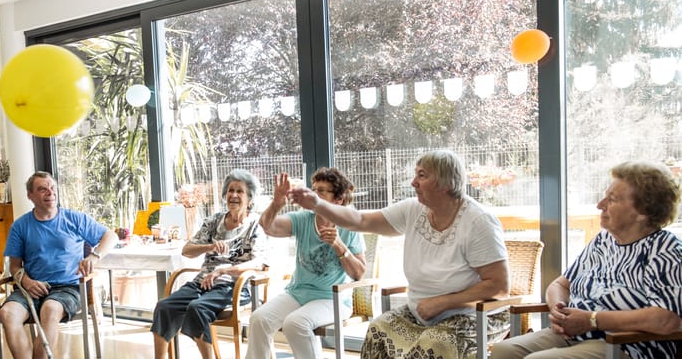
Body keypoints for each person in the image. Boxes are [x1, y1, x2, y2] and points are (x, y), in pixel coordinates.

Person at [288, 150, 510, 359]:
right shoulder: (413, 209)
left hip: (473, 315)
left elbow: (499, 286)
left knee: (434, 343)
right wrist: (316, 204)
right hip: (422, 312)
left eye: (421, 175)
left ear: (445, 183)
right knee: (378, 330)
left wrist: (443, 302)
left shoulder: (478, 221)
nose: (413, 182)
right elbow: (360, 221)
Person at [491, 161, 682, 359]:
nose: (600, 205)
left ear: (643, 212)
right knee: (505, 351)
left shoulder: (665, 251)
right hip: (577, 335)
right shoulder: (604, 241)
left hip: (628, 346)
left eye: (612, 200)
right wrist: (559, 311)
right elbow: (560, 285)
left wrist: (593, 320)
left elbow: (666, 319)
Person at [245, 167, 366, 359]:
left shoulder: (348, 225)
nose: (313, 193)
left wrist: (339, 245)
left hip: (332, 299)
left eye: (321, 191)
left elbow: (359, 273)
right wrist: (276, 204)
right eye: (313, 188)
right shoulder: (303, 219)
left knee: (295, 323)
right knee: (259, 319)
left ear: (338, 199)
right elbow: (268, 227)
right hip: (297, 293)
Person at [0, 171, 118, 359]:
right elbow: (14, 266)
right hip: (31, 288)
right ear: (30, 196)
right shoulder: (20, 226)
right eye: (42, 189)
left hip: (68, 287)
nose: (50, 193)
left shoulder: (75, 219)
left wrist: (94, 257)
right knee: (7, 313)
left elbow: (111, 236)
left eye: (52, 188)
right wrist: (28, 282)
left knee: (50, 309)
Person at [151, 169, 268, 359]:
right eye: (230, 190)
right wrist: (210, 246)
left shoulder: (256, 224)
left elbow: (259, 263)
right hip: (202, 282)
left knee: (197, 308)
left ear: (250, 198)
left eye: (240, 191)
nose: (234, 195)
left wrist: (224, 271)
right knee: (164, 306)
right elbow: (187, 250)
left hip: (235, 286)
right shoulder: (214, 221)